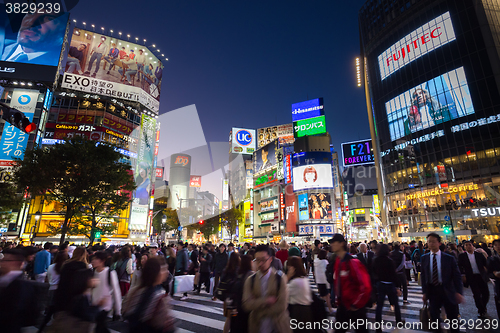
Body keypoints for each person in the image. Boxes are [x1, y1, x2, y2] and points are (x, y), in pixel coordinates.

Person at [242, 244, 291, 333]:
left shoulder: (280, 278)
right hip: (256, 326)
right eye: (257, 260)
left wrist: (259, 311)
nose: (260, 263)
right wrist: (266, 301)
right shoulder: (250, 280)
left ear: (270, 260)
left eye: (264, 260)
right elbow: (247, 304)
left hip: (278, 326)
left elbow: (281, 306)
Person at [421, 233, 464, 333]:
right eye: (429, 242)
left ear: (439, 243)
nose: (431, 244)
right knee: (434, 317)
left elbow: (456, 276)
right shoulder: (424, 258)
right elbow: (423, 276)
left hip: (448, 290)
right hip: (433, 291)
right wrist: (424, 292)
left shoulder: (449, 258)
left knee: (452, 317)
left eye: (433, 241)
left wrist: (459, 292)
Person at [122, 256, 176, 333]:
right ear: (157, 273)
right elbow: (162, 325)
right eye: (164, 269)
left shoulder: (135, 290)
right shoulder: (159, 295)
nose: (167, 272)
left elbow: (124, 311)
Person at [330, 234, 371, 333]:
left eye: (334, 242)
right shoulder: (338, 261)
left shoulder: (353, 262)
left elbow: (365, 286)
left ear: (341, 244)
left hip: (355, 308)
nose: (331, 244)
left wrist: (356, 304)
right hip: (343, 306)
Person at [1, 249, 49, 333]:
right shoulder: (5, 280)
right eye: (2, 260)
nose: (2, 263)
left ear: (19, 263)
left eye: (7, 260)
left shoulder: (25, 287)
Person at [0, 11, 67, 65]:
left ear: (63, 31)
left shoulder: (59, 65)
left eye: (49, 19)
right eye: (31, 13)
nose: (31, 23)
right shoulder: (3, 45)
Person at [373, 244, 402, 332]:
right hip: (390, 284)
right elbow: (394, 275)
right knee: (396, 304)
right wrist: (398, 287)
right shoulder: (390, 261)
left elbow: (373, 272)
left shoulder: (375, 260)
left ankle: (378, 326)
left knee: (379, 306)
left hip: (380, 284)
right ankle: (398, 321)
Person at [91, 251, 122, 333]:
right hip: (95, 305)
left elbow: (116, 291)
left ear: (102, 261)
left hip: (105, 306)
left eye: (95, 259)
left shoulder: (110, 273)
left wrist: (118, 310)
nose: (93, 261)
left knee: (99, 327)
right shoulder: (92, 272)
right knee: (100, 327)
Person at [458, 240, 489, 317]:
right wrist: (463, 275)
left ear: (473, 246)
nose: (469, 246)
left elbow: (485, 264)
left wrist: (487, 272)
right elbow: (459, 266)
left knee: (486, 293)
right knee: (476, 294)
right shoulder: (462, 256)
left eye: (470, 245)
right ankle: (481, 310)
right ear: (464, 247)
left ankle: (483, 306)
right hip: (471, 277)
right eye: (466, 245)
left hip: (481, 276)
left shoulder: (479, 255)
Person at [287, 256, 313, 333]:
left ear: (292, 268)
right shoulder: (304, 279)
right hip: (306, 311)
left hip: (299, 312)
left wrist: (288, 276)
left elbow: (282, 292)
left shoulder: (296, 282)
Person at [314, 249, 333, 314]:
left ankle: (322, 309)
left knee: (322, 296)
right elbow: (326, 273)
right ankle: (329, 309)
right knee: (327, 296)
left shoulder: (316, 261)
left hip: (319, 280)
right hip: (325, 281)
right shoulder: (325, 262)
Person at [487, 239, 500, 319]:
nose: (498, 247)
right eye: (496, 245)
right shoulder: (492, 259)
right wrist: (494, 274)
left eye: (499, 244)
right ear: (493, 247)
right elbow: (489, 273)